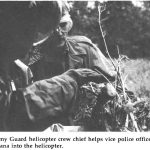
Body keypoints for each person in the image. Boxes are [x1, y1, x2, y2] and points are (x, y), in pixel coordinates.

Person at [0, 1, 116, 131]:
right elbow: (17, 113)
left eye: (62, 25)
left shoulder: (85, 49)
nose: (58, 32)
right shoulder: (28, 63)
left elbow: (114, 85)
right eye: (51, 27)